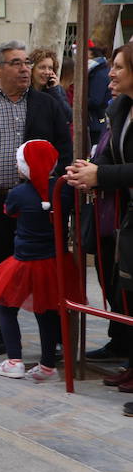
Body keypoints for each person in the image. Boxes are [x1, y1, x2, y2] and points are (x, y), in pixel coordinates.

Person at [0, 40, 72, 356]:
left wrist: (49, 189)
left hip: (35, 208)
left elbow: (65, 150)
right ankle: (2, 334)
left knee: (41, 273)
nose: (25, 68)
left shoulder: (46, 105)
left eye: (26, 63)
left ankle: (55, 338)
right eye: (16, 63)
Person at [66, 43, 133, 402]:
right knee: (127, 288)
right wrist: (86, 170)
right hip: (128, 215)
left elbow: (111, 168)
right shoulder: (120, 107)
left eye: (119, 66)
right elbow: (107, 154)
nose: (111, 73)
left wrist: (101, 175)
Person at [0, 140, 81, 381]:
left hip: (25, 260)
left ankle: (14, 359)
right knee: (46, 311)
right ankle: (47, 365)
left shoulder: (18, 193)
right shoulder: (64, 190)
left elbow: (10, 211)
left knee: (5, 306)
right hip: (54, 260)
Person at [29, 48, 72, 124]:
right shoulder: (24, 90)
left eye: (50, 68)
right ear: (32, 69)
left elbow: (68, 117)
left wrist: (54, 91)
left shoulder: (56, 90)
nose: (47, 72)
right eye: (42, 67)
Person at [87, 44, 112, 146]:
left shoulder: (99, 73)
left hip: (97, 120)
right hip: (96, 120)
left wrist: (78, 102)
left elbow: (95, 100)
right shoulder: (96, 71)